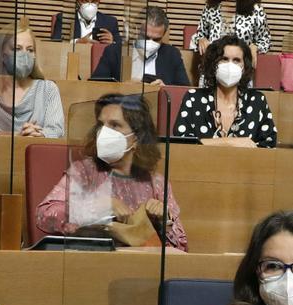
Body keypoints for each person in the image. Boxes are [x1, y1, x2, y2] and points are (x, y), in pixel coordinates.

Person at [36, 93, 188, 251]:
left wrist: (165, 222)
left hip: (141, 268)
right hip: (93, 261)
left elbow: (181, 246)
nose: (103, 133)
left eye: (114, 125)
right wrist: (97, 205)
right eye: (101, 125)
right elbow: (45, 215)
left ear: (137, 138)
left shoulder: (156, 183)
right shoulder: (83, 171)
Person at [174, 36, 276, 148]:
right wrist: (229, 142)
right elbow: (181, 143)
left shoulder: (257, 101)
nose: (230, 65)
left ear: (245, 66)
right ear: (213, 63)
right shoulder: (193, 99)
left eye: (236, 60)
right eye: (224, 59)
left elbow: (269, 145)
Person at [0, 24, 65, 139]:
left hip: (35, 152)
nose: (25, 55)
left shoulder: (48, 89)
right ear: (2, 54)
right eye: (17, 49)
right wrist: (19, 136)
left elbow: (56, 130)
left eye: (30, 50)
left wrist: (39, 134)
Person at [90, 7, 189, 86]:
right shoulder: (114, 51)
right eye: (146, 37)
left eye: (156, 39)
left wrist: (165, 90)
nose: (150, 43)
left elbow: (183, 90)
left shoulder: (172, 54)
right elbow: (94, 86)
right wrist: (122, 87)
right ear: (136, 30)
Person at [190, 0, 271, 55]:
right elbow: (199, 35)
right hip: (213, 66)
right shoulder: (210, 7)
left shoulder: (255, 9)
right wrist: (200, 39)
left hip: (242, 68)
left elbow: (266, 40)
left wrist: (256, 46)